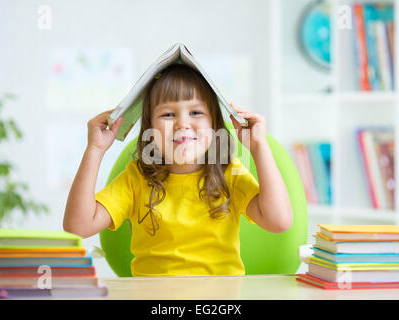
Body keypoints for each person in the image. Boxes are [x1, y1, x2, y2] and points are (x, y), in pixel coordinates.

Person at [63, 64, 293, 276]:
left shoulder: (229, 174)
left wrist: (258, 147)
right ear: (150, 130)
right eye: (168, 114)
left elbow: (279, 221)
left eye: (196, 113)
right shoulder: (136, 179)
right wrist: (95, 149)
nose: (183, 123)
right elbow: (78, 226)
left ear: (214, 125)